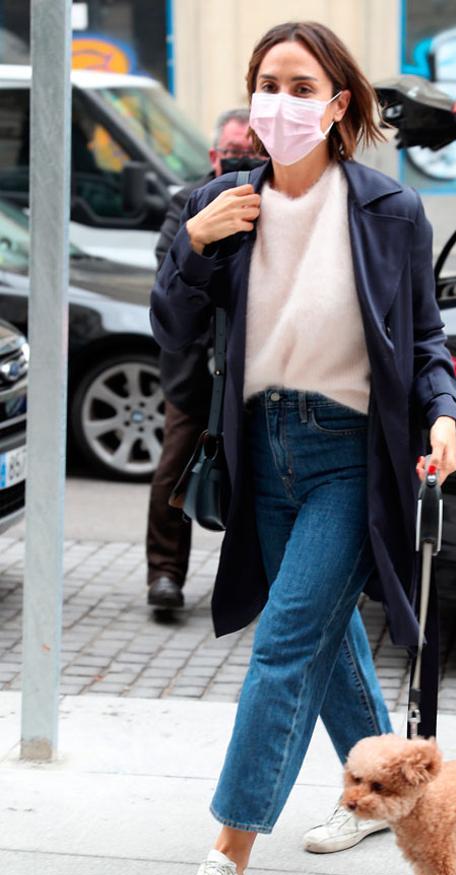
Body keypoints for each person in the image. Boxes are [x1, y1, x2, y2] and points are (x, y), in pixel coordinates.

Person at [150, 20, 456, 875]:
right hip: (262, 452)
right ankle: (392, 795)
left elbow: (426, 338)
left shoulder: (387, 212)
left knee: (284, 646)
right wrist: (193, 248)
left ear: (336, 105)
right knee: (328, 641)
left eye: (299, 85)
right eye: (266, 82)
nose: (278, 102)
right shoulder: (218, 203)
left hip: (346, 456)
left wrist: (445, 411)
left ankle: (225, 861)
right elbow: (173, 335)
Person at [146, 109, 264, 611]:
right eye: (232, 150)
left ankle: (256, 581)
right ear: (215, 156)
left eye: (249, 151)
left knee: (256, 477)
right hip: (193, 371)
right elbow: (172, 275)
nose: (239, 158)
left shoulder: (268, 200)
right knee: (176, 468)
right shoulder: (188, 202)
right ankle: (165, 575)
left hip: (249, 368)